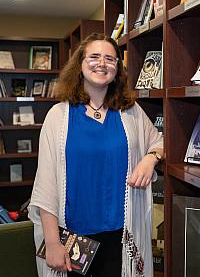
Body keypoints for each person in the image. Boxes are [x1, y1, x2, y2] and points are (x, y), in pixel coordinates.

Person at [28, 33, 164, 277]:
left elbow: (160, 142)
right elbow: (46, 185)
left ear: (117, 69)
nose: (102, 63)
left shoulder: (130, 112)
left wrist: (150, 159)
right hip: (72, 239)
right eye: (94, 56)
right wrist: (52, 242)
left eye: (110, 59)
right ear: (80, 64)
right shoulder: (58, 116)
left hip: (120, 236)